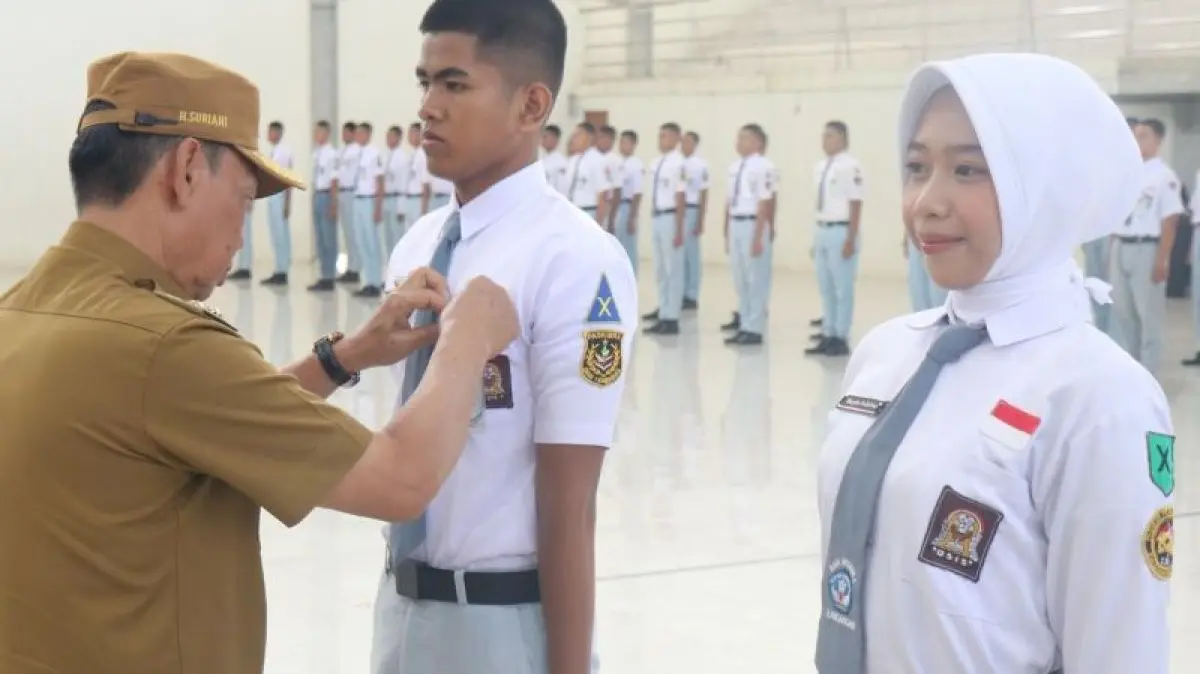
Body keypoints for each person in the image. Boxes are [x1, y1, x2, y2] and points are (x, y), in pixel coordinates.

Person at [0, 51, 519, 674]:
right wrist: (467, 337)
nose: (242, 233)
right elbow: (402, 480)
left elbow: (182, 423)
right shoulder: (165, 346)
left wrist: (342, 358)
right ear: (188, 168)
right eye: (245, 200)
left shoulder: (26, 311)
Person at [815, 53, 1172, 674]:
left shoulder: (1100, 396)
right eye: (917, 167)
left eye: (968, 170)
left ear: (1045, 184)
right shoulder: (886, 353)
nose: (927, 201)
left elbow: (1119, 654)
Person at [373, 2, 638, 674]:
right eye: (423, 82)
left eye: (454, 84)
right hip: (400, 608)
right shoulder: (416, 246)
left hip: (499, 627)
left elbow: (570, 505)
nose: (428, 106)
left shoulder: (574, 259)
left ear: (531, 106)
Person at [1109, 118, 1184, 377]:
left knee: (1148, 318)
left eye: (1144, 136)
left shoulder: (1164, 175)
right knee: (1123, 315)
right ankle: (1130, 374)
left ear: (1158, 140)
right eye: (1135, 135)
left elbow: (1170, 220)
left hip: (1146, 249)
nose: (1137, 140)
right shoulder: (1128, 171)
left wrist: (1162, 260)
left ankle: (1149, 377)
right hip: (1121, 245)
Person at [807, 120, 864, 357]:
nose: (824, 140)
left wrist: (850, 238)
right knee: (826, 287)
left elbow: (856, 202)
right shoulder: (821, 166)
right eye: (823, 135)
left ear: (842, 138)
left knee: (842, 288)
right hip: (822, 229)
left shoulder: (851, 166)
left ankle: (841, 336)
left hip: (841, 230)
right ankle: (828, 332)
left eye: (829, 135)